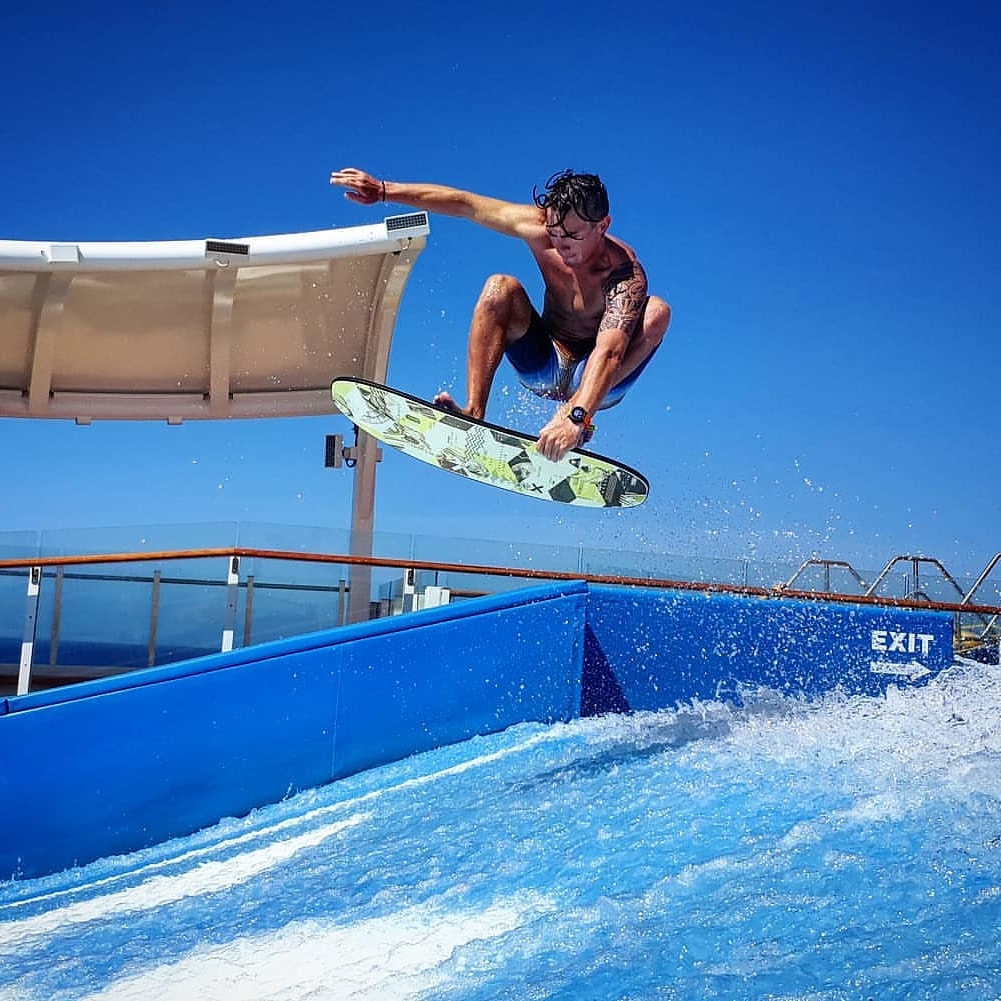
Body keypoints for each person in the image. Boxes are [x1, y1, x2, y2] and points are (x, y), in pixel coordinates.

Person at [329, 166, 671, 461]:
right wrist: (385, 191)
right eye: (555, 232)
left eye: (573, 235)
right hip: (545, 364)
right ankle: (473, 413)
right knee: (499, 287)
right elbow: (465, 204)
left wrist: (576, 415)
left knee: (657, 313)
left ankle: (578, 422)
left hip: (597, 380)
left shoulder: (625, 276)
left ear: (603, 225)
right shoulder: (539, 228)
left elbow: (610, 351)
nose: (562, 244)